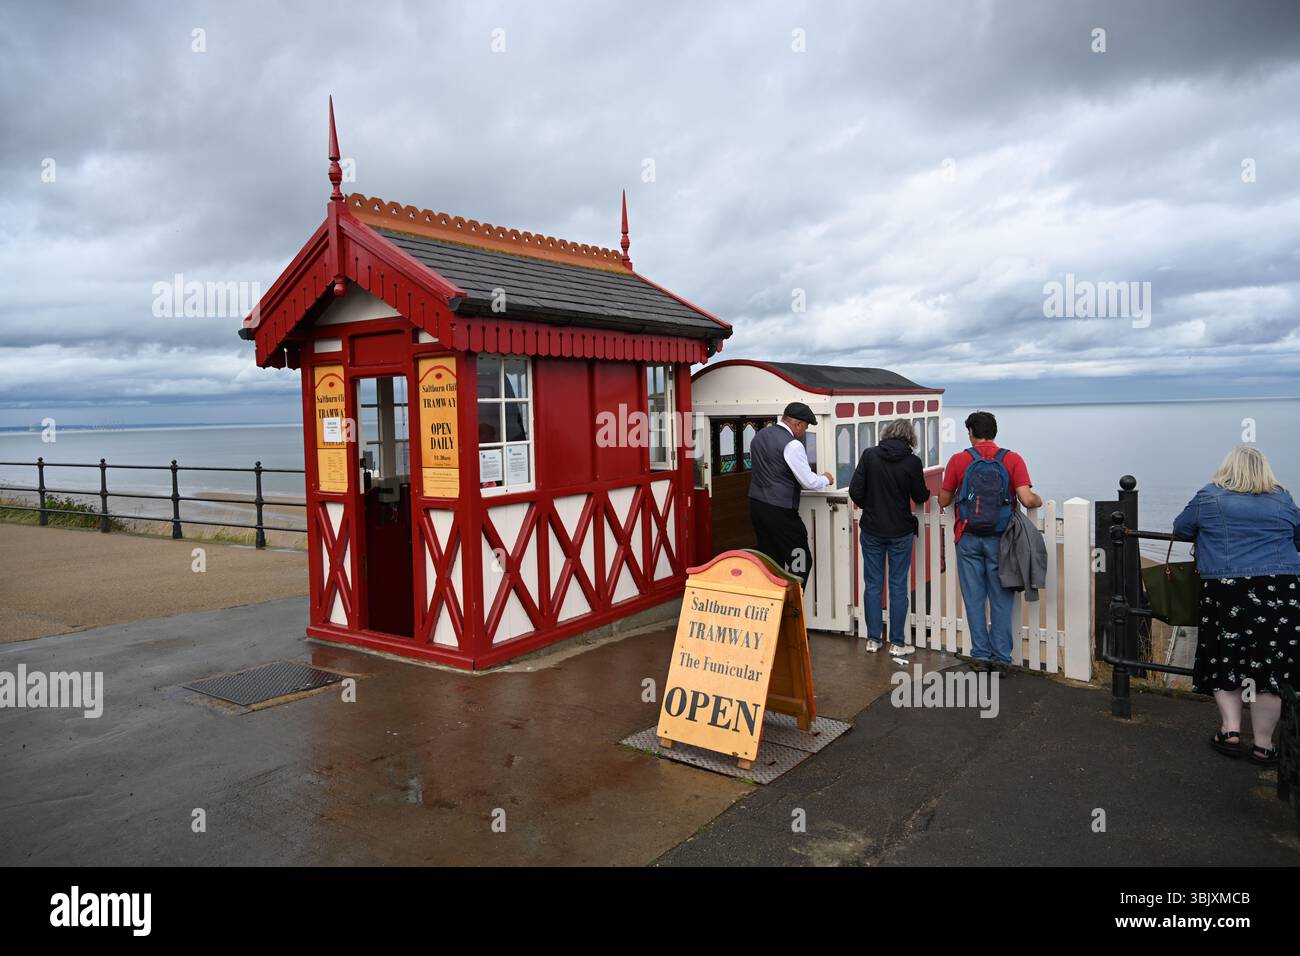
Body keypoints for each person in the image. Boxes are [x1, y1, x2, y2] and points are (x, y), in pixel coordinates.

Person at [1172, 445, 1300, 766]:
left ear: (1227, 469)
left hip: (1225, 588)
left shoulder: (1209, 497)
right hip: (1279, 589)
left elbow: (1181, 528)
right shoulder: (1282, 498)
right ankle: (1263, 744)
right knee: (1269, 667)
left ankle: (1230, 732)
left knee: (1224, 657)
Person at [937, 410, 1041, 674]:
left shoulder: (959, 460)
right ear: (994, 432)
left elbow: (943, 500)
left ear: (970, 433)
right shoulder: (1012, 459)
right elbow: (1027, 499)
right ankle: (1001, 659)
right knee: (1001, 600)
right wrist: (1038, 501)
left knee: (973, 599)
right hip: (1001, 540)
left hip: (968, 538)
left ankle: (981, 657)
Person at [849, 418, 931, 654]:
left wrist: (871, 507)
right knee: (897, 586)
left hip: (872, 529)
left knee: (873, 585)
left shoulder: (869, 455)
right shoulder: (912, 462)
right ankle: (897, 643)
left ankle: (873, 640)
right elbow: (921, 495)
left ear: (887, 434)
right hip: (900, 531)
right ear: (910, 438)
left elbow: (855, 490)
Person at [748, 402, 833, 587]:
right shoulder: (792, 445)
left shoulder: (759, 436)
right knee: (801, 561)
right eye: (806, 427)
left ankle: (773, 608)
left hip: (757, 506)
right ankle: (793, 609)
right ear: (798, 424)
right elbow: (809, 482)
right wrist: (826, 479)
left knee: (771, 561)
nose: (804, 432)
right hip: (781, 512)